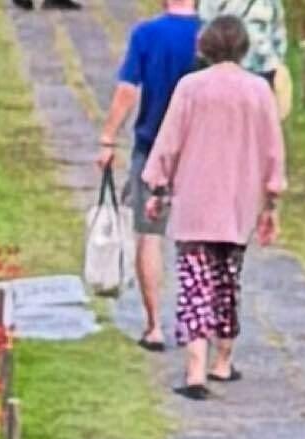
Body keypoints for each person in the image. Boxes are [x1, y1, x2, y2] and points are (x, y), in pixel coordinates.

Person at [137, 19, 281, 400]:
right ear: (244, 48)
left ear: (205, 47)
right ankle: (223, 360)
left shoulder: (190, 88)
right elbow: (272, 151)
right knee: (228, 279)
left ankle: (195, 370)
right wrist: (271, 203)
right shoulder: (259, 91)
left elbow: (169, 143)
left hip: (196, 202)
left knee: (194, 283)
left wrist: (157, 186)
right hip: (238, 203)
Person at [104, 3, 204, 344]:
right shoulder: (210, 35)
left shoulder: (146, 34)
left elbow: (127, 90)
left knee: (150, 235)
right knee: (200, 239)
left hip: (152, 146)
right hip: (199, 150)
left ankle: (154, 325)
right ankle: (196, 326)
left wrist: (108, 138)